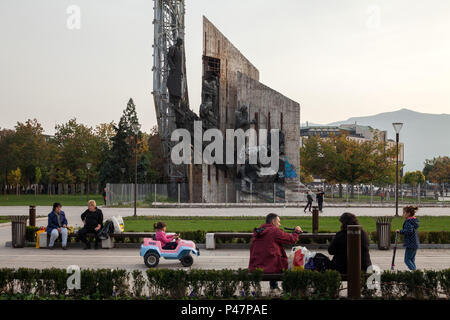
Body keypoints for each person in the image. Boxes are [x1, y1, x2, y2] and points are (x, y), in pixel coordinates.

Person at [249, 213, 302, 292]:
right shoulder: (274, 231)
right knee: (293, 266)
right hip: (269, 267)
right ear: (273, 222)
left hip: (255, 266)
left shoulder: (259, 231)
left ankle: (274, 286)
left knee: (272, 256)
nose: (280, 224)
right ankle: (290, 290)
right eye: (279, 222)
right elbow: (291, 239)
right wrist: (297, 232)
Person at [396, 206, 420, 270]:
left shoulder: (408, 221)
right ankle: (415, 272)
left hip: (410, 243)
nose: (402, 214)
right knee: (411, 259)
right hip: (414, 243)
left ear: (408, 213)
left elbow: (409, 231)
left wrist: (400, 231)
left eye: (404, 213)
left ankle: (415, 272)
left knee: (407, 260)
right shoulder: (414, 221)